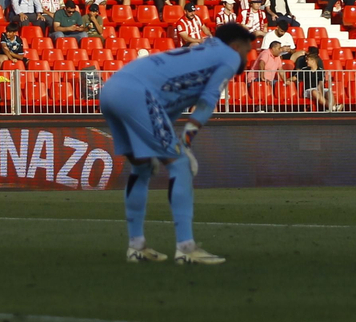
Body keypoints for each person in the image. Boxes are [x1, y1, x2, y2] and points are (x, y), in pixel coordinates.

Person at [97, 21, 256, 264]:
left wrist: (170, 141)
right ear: (236, 45)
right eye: (247, 48)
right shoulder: (229, 56)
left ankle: (136, 246)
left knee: (142, 167)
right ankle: (186, 248)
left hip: (113, 88)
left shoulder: (205, 51)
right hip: (137, 94)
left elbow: (166, 104)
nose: (248, 54)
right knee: (181, 165)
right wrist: (185, 141)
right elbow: (207, 101)